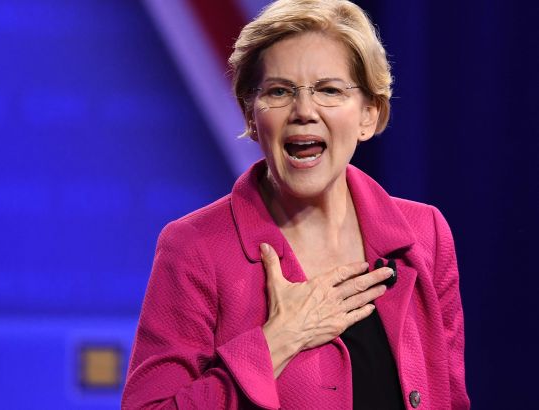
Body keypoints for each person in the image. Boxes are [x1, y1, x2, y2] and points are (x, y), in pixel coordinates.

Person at [122, 0, 470, 408]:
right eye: (279, 91)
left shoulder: (425, 233)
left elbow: (451, 398)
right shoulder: (195, 248)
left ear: (369, 115)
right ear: (251, 116)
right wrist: (277, 342)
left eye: (329, 90)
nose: (303, 111)